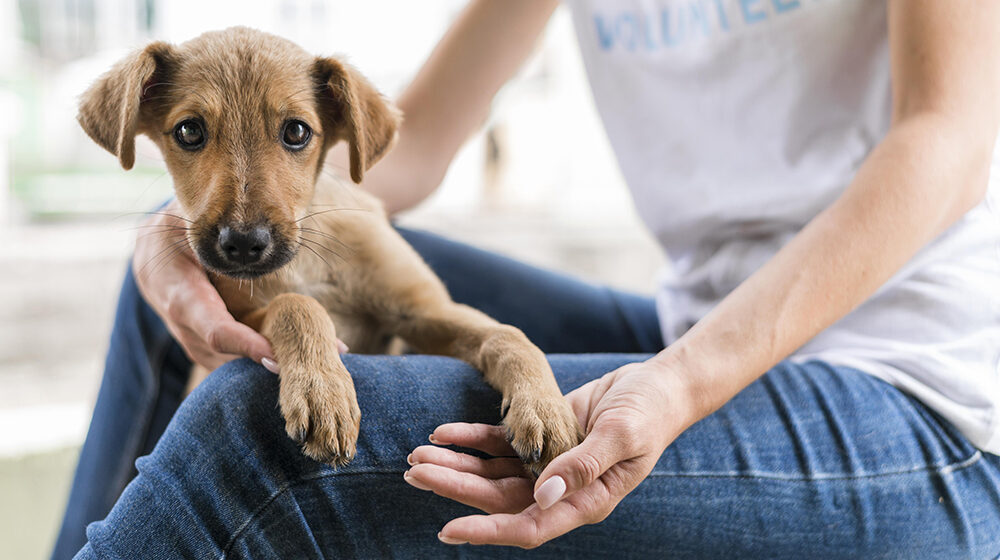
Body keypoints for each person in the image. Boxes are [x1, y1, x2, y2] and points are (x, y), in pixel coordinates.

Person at [53, 1, 1000, 558]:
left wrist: (679, 383)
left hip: (919, 384)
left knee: (251, 426)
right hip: (692, 318)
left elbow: (948, 145)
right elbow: (405, 148)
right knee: (176, 295)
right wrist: (179, 230)